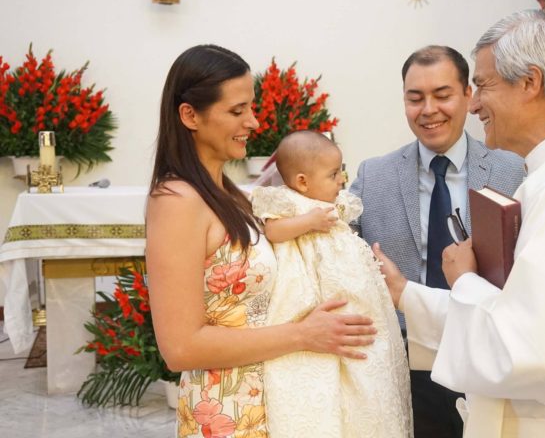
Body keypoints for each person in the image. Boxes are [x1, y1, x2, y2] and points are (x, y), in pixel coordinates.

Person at [374, 10, 545, 437]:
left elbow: (538, 357)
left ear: (530, 82)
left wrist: (464, 279)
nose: (475, 104)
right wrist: (405, 294)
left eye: (483, 85)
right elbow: (517, 315)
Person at [145, 45, 376, 438]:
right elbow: (180, 347)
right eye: (237, 111)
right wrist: (304, 334)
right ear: (190, 115)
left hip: (274, 400)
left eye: (251, 108)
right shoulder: (177, 201)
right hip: (228, 412)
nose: (253, 122)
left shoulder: (229, 192)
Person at [349, 45, 525, 438]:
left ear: (467, 96)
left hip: (486, 356)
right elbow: (337, 248)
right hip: (405, 363)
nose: (428, 110)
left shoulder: (511, 170)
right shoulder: (374, 175)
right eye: (415, 98)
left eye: (442, 95)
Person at [251, 131, 412, 437]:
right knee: (318, 369)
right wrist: (308, 222)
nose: (341, 180)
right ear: (302, 182)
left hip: (345, 284)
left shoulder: (337, 204)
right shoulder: (287, 201)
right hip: (306, 289)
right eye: (333, 174)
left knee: (364, 361)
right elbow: (273, 231)